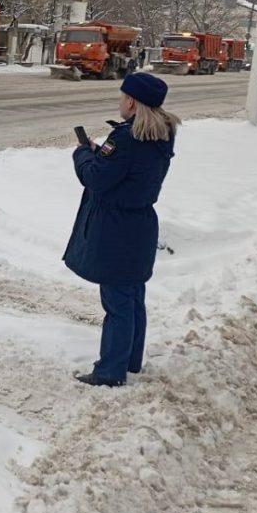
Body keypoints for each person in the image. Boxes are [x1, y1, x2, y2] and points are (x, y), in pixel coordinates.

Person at [63, 73, 181, 387]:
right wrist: (101, 153)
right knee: (132, 297)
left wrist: (83, 153)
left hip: (116, 229)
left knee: (117, 302)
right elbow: (122, 169)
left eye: (122, 96)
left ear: (131, 101)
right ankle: (130, 362)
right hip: (140, 225)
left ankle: (110, 371)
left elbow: (96, 179)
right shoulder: (161, 134)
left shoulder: (127, 138)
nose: (120, 101)